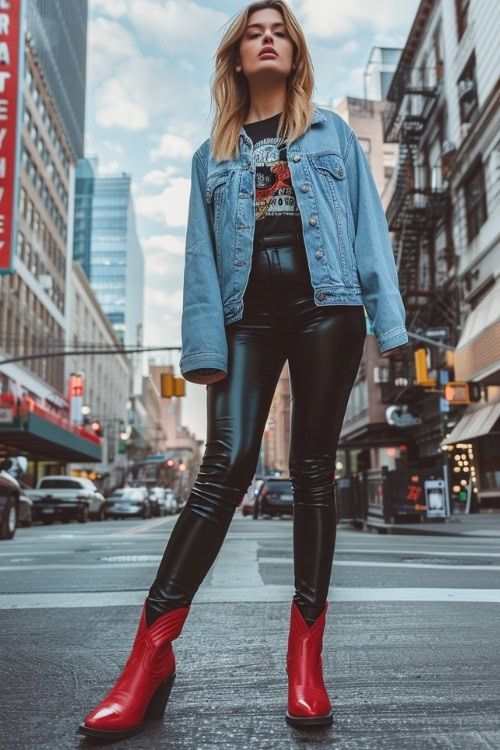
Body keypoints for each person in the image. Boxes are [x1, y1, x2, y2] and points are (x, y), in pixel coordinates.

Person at [79, 0, 408, 738]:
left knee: (315, 469)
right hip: (245, 315)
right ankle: (150, 657)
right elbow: (200, 262)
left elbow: (368, 233)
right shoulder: (212, 153)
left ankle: (305, 665)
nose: (267, 39)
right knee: (223, 468)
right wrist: (201, 349)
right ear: (236, 55)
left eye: (279, 30)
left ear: (294, 51)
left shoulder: (332, 136)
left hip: (330, 305)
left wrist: (388, 324)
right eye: (254, 32)